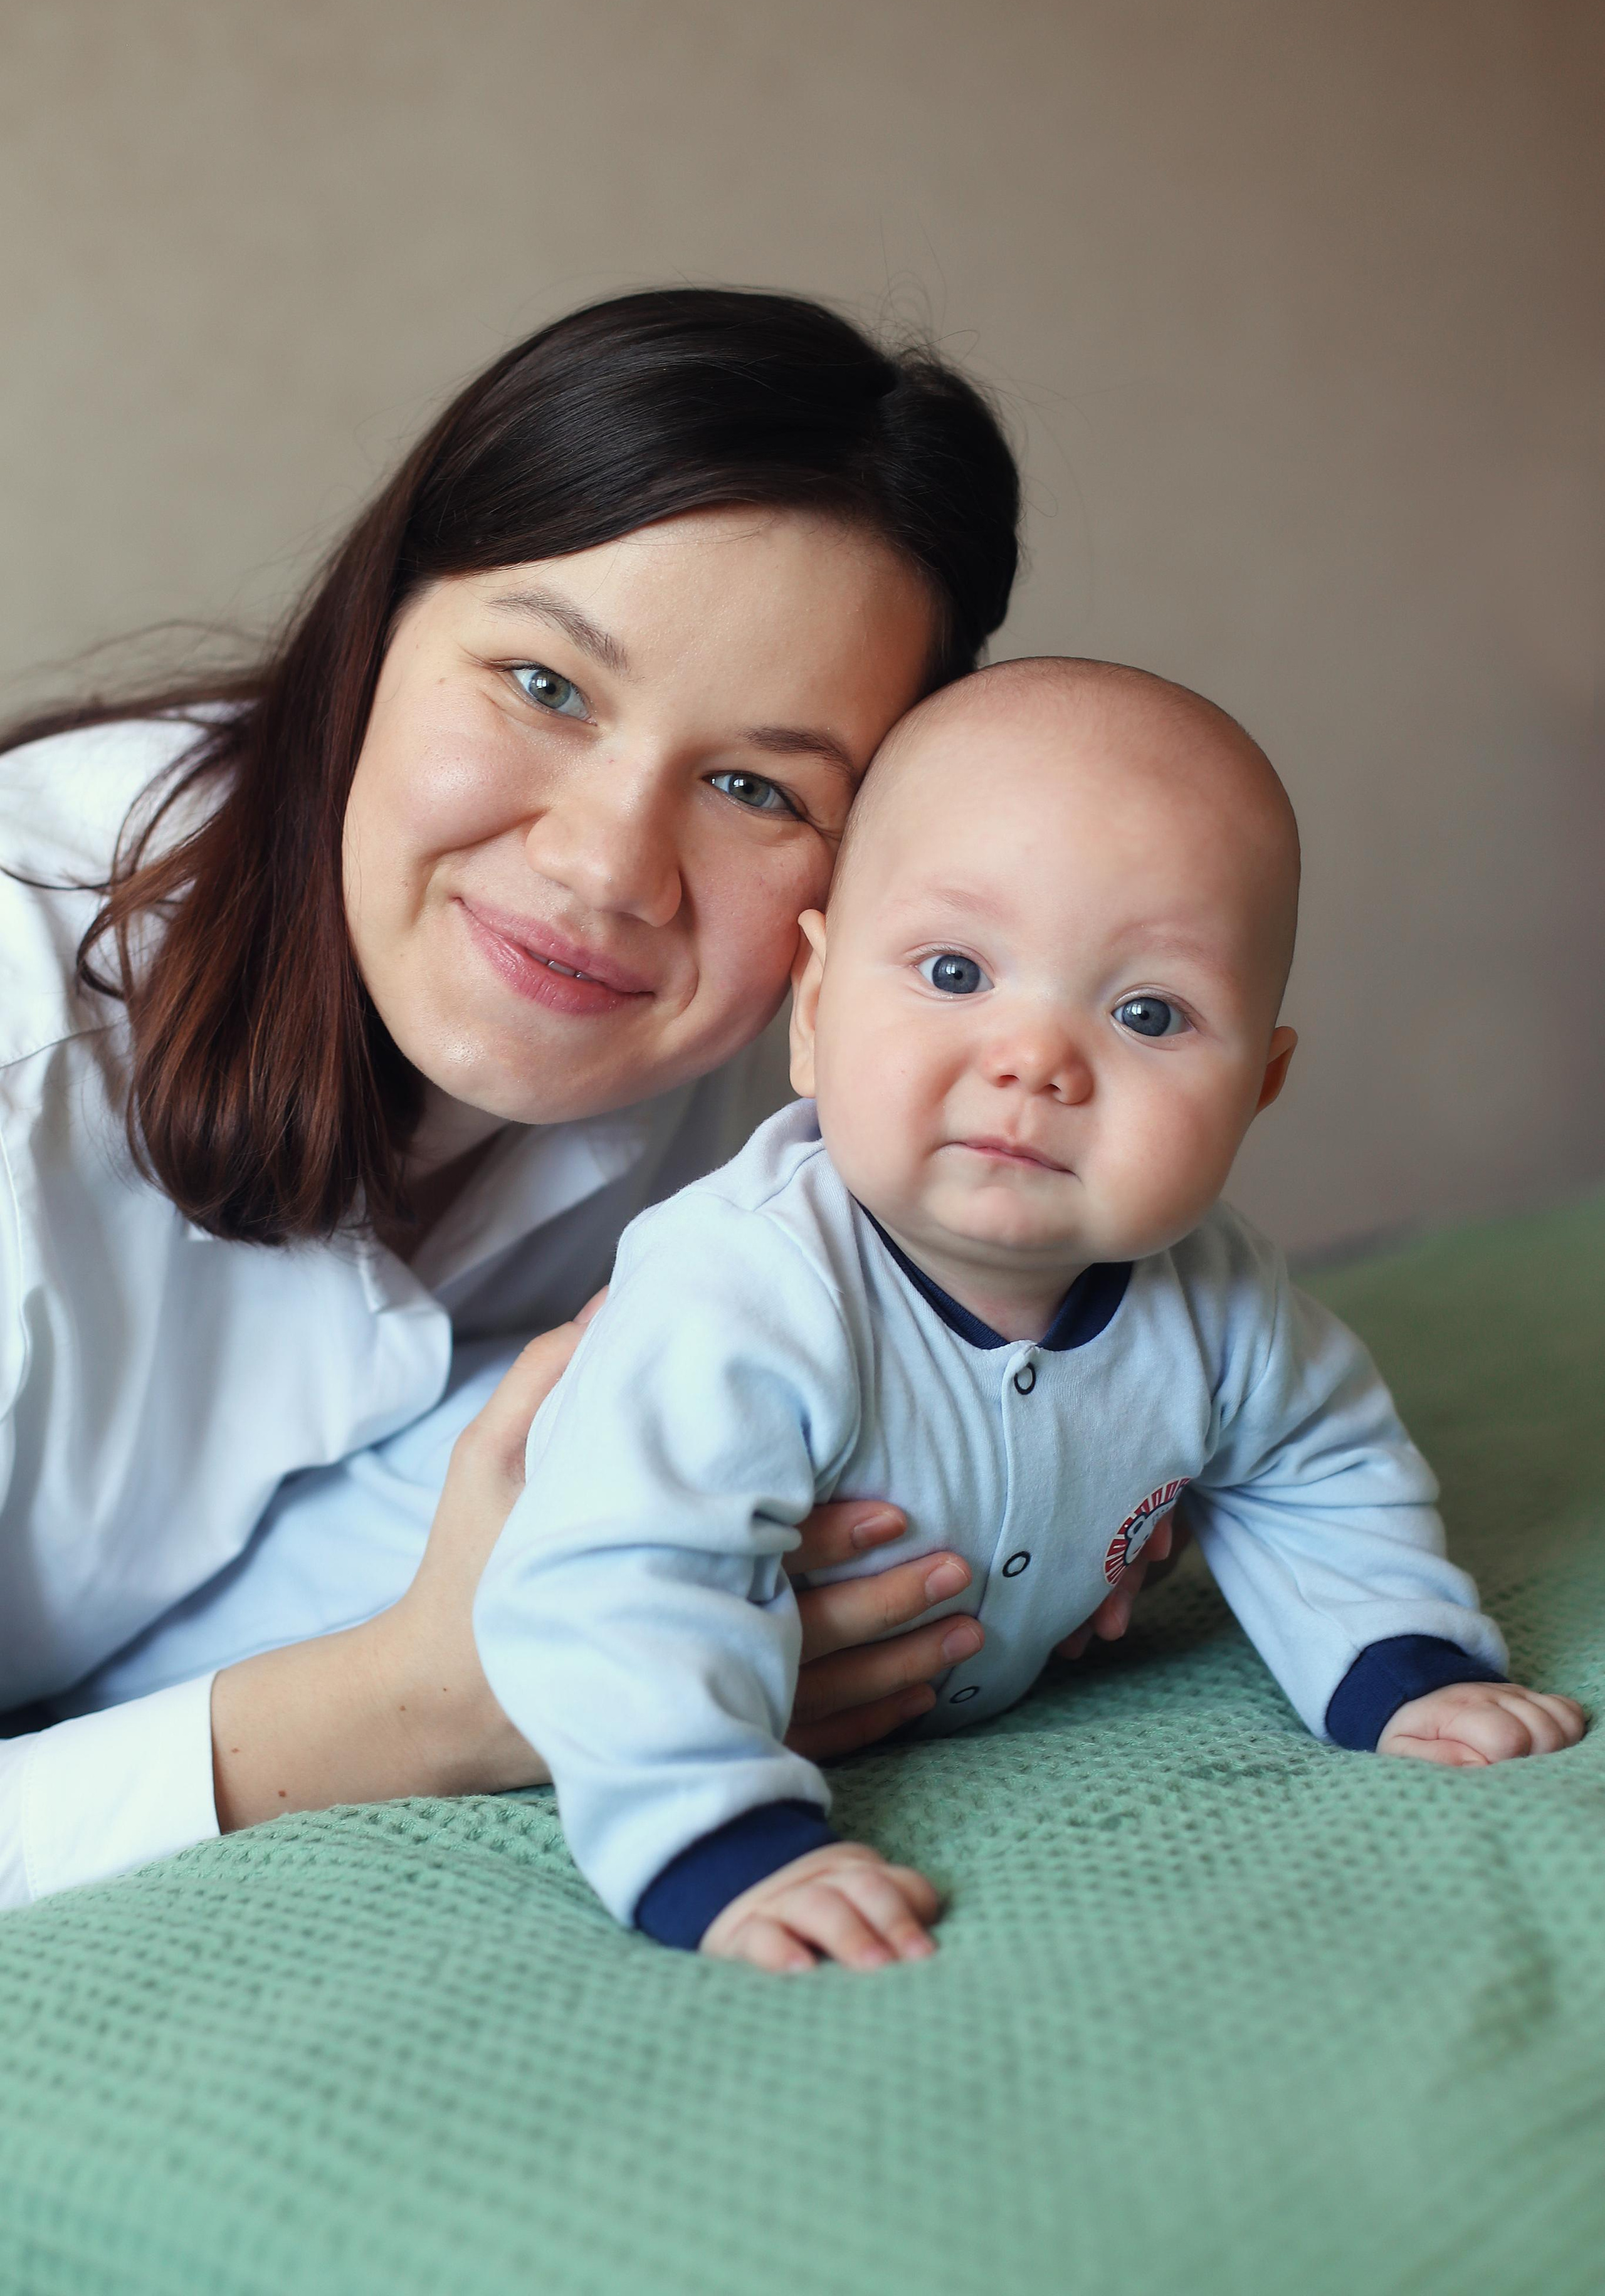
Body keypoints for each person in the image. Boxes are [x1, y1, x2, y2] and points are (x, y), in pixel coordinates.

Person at [1, 286, 1154, 1911]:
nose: (607, 868)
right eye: (545, 687)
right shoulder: (19, 1052)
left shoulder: (730, 1034)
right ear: (374, 630)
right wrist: (401, 1714)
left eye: (758, 788)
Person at [471, 659, 1587, 1972]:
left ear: (1257, 1085)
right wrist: (716, 1840)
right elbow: (625, 1579)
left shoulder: (1219, 1300)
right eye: (954, 969)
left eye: (1146, 1012)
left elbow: (1319, 1465)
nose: (1036, 1061)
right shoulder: (748, 1293)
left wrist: (1399, 1664)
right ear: (816, 1010)